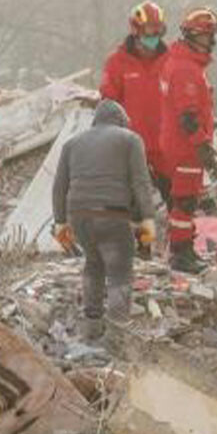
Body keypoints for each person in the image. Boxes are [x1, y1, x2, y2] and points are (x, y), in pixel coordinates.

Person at [51, 100, 155, 341]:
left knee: (94, 262)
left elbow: (59, 187)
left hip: (79, 217)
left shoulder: (72, 143)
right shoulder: (130, 139)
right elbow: (140, 182)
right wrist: (147, 221)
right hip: (112, 214)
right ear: (120, 119)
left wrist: (60, 223)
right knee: (120, 271)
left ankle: (92, 327)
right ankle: (117, 334)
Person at [158, 7, 217, 273]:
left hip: (179, 144)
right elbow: (188, 116)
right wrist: (203, 146)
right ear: (195, 36)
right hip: (185, 147)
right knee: (184, 202)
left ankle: (183, 250)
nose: (213, 43)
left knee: (184, 201)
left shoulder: (182, 63)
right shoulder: (186, 69)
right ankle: (181, 255)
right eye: (209, 37)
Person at [100, 0, 169, 203]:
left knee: (177, 206)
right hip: (131, 149)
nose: (154, 37)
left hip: (165, 151)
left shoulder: (171, 60)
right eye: (150, 31)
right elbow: (108, 105)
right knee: (133, 207)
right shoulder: (117, 63)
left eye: (159, 30)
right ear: (136, 30)